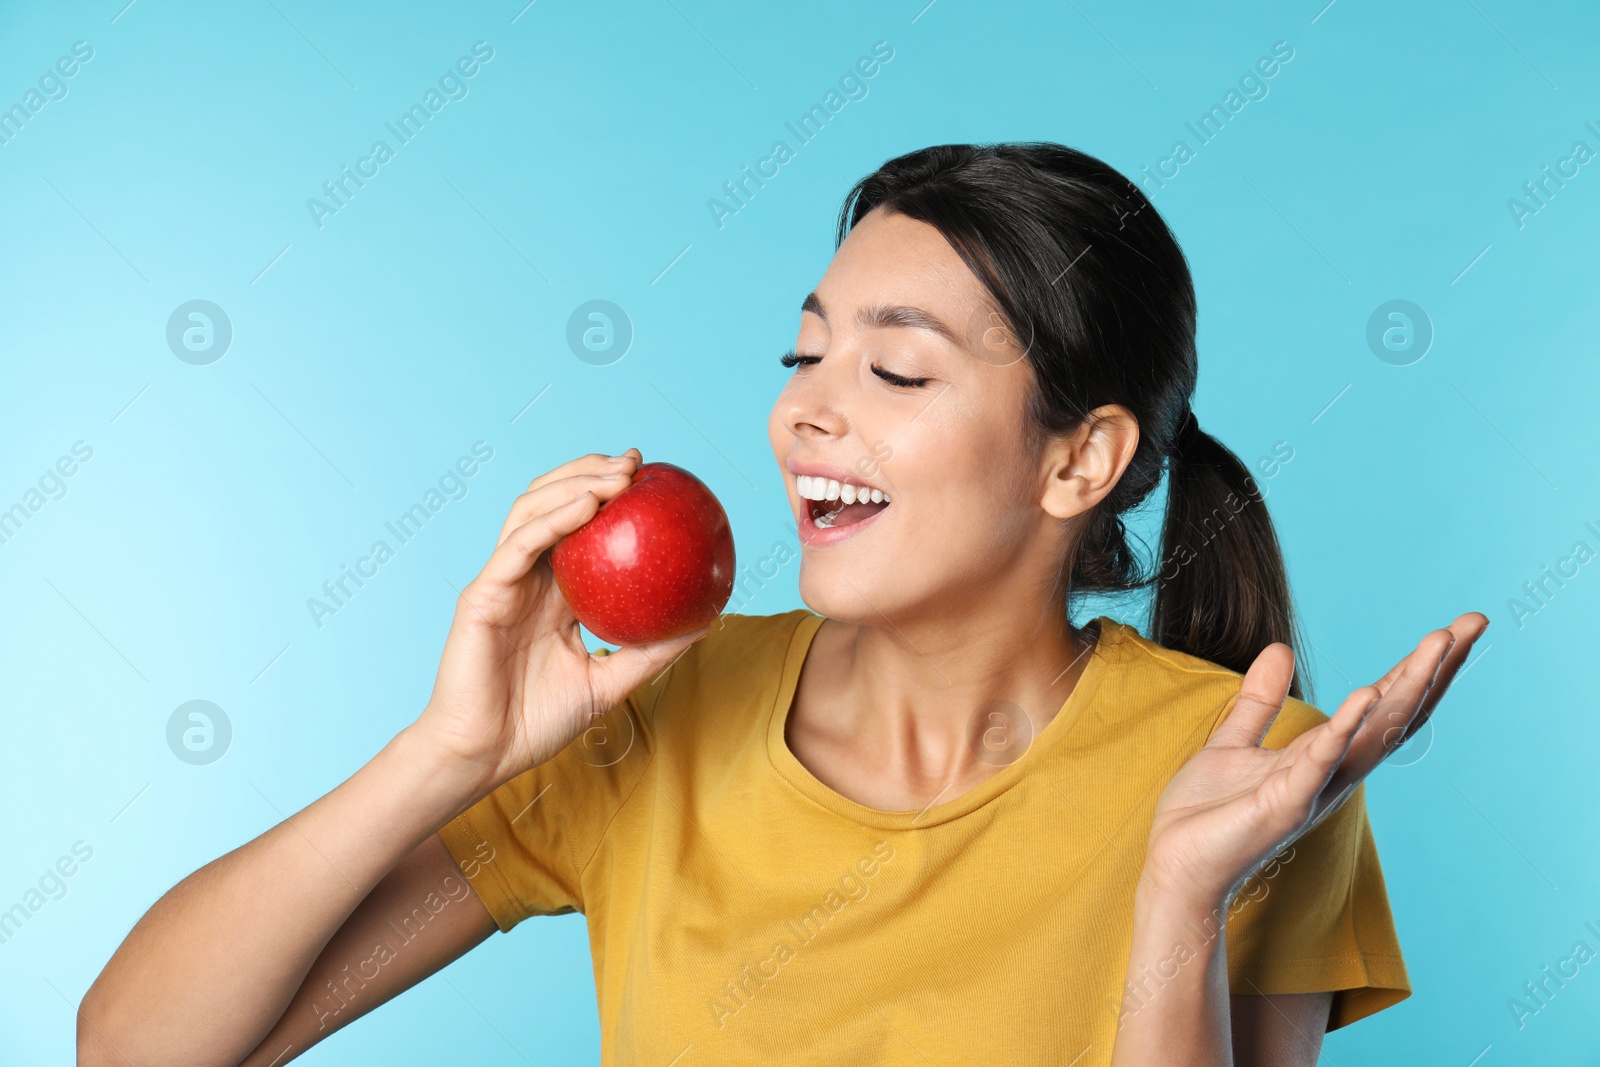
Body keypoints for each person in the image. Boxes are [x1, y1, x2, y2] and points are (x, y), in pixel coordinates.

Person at [79, 143, 1486, 1067]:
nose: (807, 410)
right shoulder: (654, 712)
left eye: (897, 371)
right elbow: (137, 1052)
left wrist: (1183, 898)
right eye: (804, 354)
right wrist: (446, 755)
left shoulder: (1250, 775)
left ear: (1079, 461)